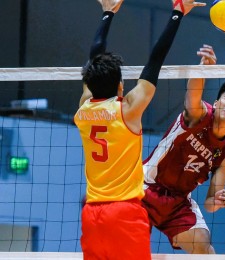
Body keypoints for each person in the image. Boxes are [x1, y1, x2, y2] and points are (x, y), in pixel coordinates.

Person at [74, 0, 205, 259]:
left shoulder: (83, 110)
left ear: (89, 83)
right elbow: (155, 59)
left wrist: (107, 13)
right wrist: (178, 11)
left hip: (91, 214)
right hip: (124, 211)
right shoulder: (129, 110)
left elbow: (94, 58)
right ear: (121, 86)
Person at [142, 44, 225, 254]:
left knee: (203, 246)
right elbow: (192, 95)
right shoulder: (199, 115)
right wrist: (202, 69)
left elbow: (210, 203)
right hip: (146, 188)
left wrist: (219, 201)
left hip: (177, 202)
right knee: (132, 250)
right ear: (217, 102)